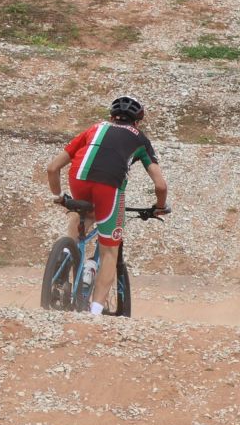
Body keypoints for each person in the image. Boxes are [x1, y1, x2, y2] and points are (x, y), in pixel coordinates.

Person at [44, 96, 170, 317]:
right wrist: (159, 207)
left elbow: (52, 167)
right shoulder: (141, 139)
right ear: (137, 122)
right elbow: (160, 185)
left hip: (78, 179)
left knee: (81, 212)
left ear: (111, 117)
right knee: (110, 249)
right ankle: (94, 311)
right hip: (109, 187)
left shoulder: (93, 128)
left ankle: (67, 254)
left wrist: (57, 196)